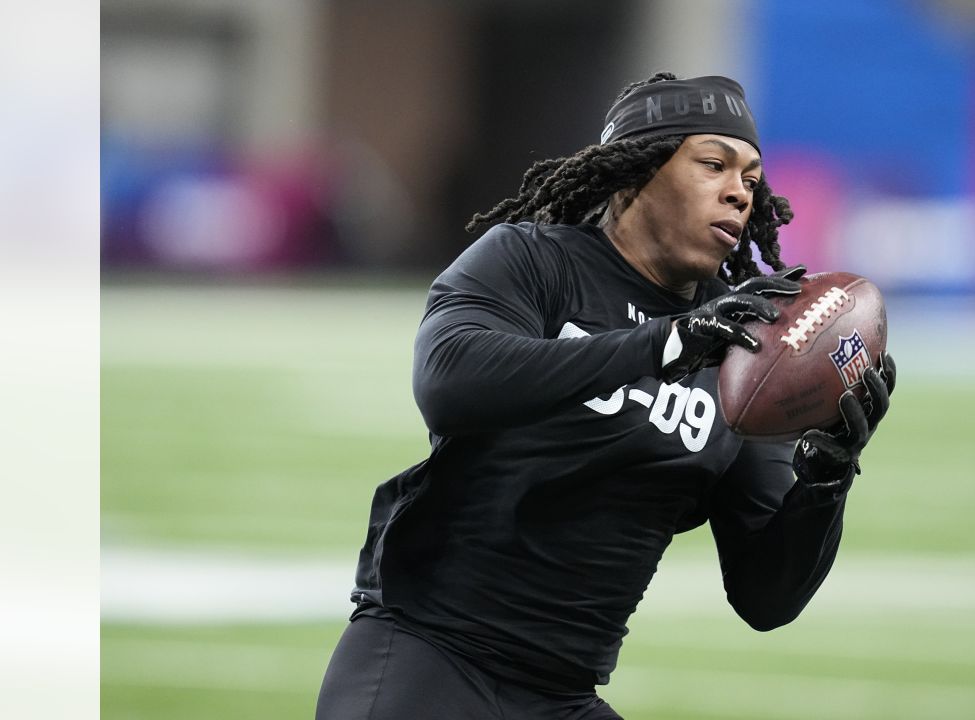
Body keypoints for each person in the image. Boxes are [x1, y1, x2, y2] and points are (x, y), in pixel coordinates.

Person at [316, 72, 896, 720]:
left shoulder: (743, 348)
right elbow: (449, 382)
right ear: (634, 172)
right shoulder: (531, 261)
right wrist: (663, 345)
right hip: (427, 659)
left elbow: (767, 598)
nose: (739, 191)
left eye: (752, 179)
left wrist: (825, 479)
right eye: (714, 164)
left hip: (561, 696)